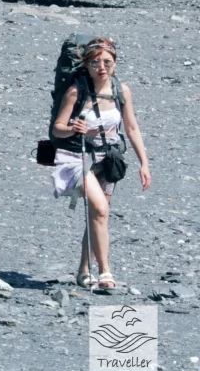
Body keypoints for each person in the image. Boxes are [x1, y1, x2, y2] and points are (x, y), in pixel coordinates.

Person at [50, 38, 150, 290]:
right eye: (95, 63)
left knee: (97, 216)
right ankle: (105, 272)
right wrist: (73, 128)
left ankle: (84, 269)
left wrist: (144, 163)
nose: (101, 67)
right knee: (100, 209)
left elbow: (131, 127)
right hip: (76, 157)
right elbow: (58, 129)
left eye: (107, 62)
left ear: (115, 63)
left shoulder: (121, 90)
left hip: (108, 158)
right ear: (86, 65)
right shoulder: (76, 91)